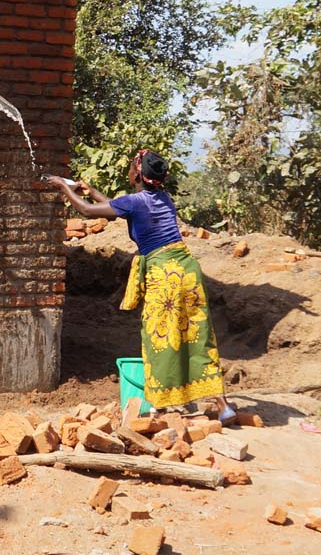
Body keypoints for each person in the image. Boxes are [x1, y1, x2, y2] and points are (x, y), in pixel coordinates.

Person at [47, 150, 234, 421]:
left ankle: (160, 405)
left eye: (131, 167)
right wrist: (91, 191)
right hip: (187, 271)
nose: (128, 171)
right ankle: (223, 406)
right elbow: (116, 210)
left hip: (164, 275)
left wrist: (63, 187)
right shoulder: (162, 198)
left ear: (137, 174)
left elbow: (87, 211)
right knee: (197, 335)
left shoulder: (135, 202)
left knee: (160, 336)